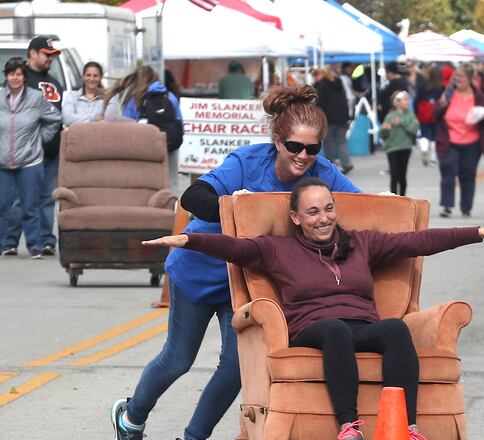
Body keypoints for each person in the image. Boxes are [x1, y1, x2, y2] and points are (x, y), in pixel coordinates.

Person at [141, 177, 484, 440]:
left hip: (362, 323)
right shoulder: (279, 249)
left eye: (328, 209)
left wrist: (479, 233)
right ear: (296, 218)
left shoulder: (362, 243)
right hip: (314, 327)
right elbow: (233, 247)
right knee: (335, 329)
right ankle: (349, 425)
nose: (323, 218)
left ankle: (405, 425)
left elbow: (419, 241)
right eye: (313, 212)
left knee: (394, 330)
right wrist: (187, 239)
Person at [109, 85, 360, 440]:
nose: (304, 155)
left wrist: (387, 203)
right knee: (179, 358)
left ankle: (194, 437)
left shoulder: (323, 172)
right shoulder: (246, 161)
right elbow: (193, 196)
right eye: (295, 146)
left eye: (312, 148)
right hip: (198, 272)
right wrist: (232, 205)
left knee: (235, 367)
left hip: (243, 283)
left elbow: (361, 206)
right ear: (277, 140)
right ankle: (131, 416)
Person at [3, 36, 64, 257]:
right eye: (46, 55)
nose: (50, 60)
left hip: (51, 153)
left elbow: (56, 118)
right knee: (19, 200)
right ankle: (10, 241)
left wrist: (45, 139)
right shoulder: (19, 80)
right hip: (23, 155)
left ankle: (46, 241)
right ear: (33, 54)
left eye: (53, 56)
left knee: (47, 199)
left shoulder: (55, 82)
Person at [104, 65, 183, 193]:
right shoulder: (169, 96)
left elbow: (128, 127)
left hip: (146, 146)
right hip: (170, 143)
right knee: (171, 181)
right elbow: (179, 121)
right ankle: (171, 209)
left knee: (146, 182)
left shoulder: (135, 99)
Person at [434, 63, 484, 218]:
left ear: (469, 78)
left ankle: (466, 208)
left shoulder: (478, 95)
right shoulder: (448, 93)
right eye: (456, 76)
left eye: (461, 76)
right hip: (449, 141)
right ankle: (447, 206)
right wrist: (442, 106)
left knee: (467, 175)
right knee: (448, 173)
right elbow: (436, 113)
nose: (457, 79)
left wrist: (481, 114)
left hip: (472, 143)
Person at [316, 65, 354, 174]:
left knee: (328, 141)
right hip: (343, 117)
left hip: (329, 118)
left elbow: (319, 103)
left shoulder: (322, 85)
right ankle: (346, 163)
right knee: (341, 141)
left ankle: (330, 164)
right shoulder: (339, 83)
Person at [380, 91, 419, 196]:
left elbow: (414, 129)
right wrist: (384, 130)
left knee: (402, 175)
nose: (407, 102)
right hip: (392, 149)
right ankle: (394, 198)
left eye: (408, 99)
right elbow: (383, 135)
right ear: (397, 102)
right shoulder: (390, 116)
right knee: (394, 175)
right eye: (405, 100)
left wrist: (401, 123)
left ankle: (403, 198)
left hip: (405, 148)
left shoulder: (410, 115)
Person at [414, 66, 444, 166]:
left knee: (424, 133)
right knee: (435, 135)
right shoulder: (441, 87)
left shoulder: (423, 85)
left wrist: (416, 111)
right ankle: (433, 158)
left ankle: (424, 148)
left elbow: (416, 99)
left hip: (423, 113)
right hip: (436, 113)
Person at [62, 62, 105, 127]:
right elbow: (67, 119)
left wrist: (77, 119)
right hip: (76, 136)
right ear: (83, 76)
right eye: (88, 75)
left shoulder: (107, 98)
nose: (91, 79)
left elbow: (110, 121)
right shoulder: (72, 96)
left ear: (101, 77)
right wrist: (94, 118)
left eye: (95, 76)